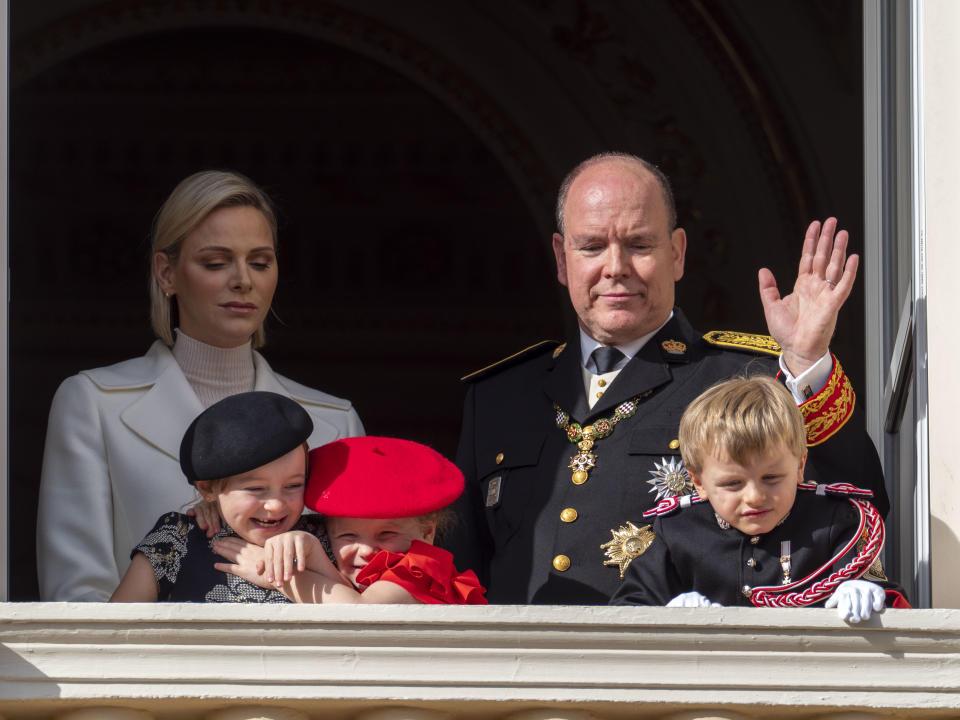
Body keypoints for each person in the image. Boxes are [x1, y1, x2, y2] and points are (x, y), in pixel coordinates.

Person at [446, 151, 888, 604]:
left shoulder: (744, 379)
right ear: (562, 258)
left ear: (676, 254)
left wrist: (803, 360)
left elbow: (856, 507)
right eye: (592, 246)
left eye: (639, 245)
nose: (616, 267)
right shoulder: (498, 396)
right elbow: (457, 570)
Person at [38, 170, 363, 602]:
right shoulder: (92, 403)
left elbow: (367, 581)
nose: (243, 280)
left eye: (260, 262)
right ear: (166, 273)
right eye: (216, 262)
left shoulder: (335, 421)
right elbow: (77, 599)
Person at [609, 376, 908, 622]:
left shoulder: (834, 521)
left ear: (800, 466)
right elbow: (625, 612)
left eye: (772, 478)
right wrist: (663, 614)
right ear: (698, 482)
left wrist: (867, 593)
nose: (754, 496)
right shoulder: (677, 532)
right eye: (732, 483)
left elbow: (891, 601)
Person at [214, 436, 487, 605]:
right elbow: (343, 592)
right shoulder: (356, 577)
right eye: (347, 536)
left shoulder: (420, 568)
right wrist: (213, 508)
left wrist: (276, 577)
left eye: (386, 534)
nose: (366, 550)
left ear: (427, 532)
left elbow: (357, 613)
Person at [111, 391, 325, 602]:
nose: (276, 505)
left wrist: (307, 563)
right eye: (256, 489)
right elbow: (112, 628)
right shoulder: (177, 539)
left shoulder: (321, 538)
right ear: (207, 489)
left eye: (294, 485)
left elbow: (357, 610)